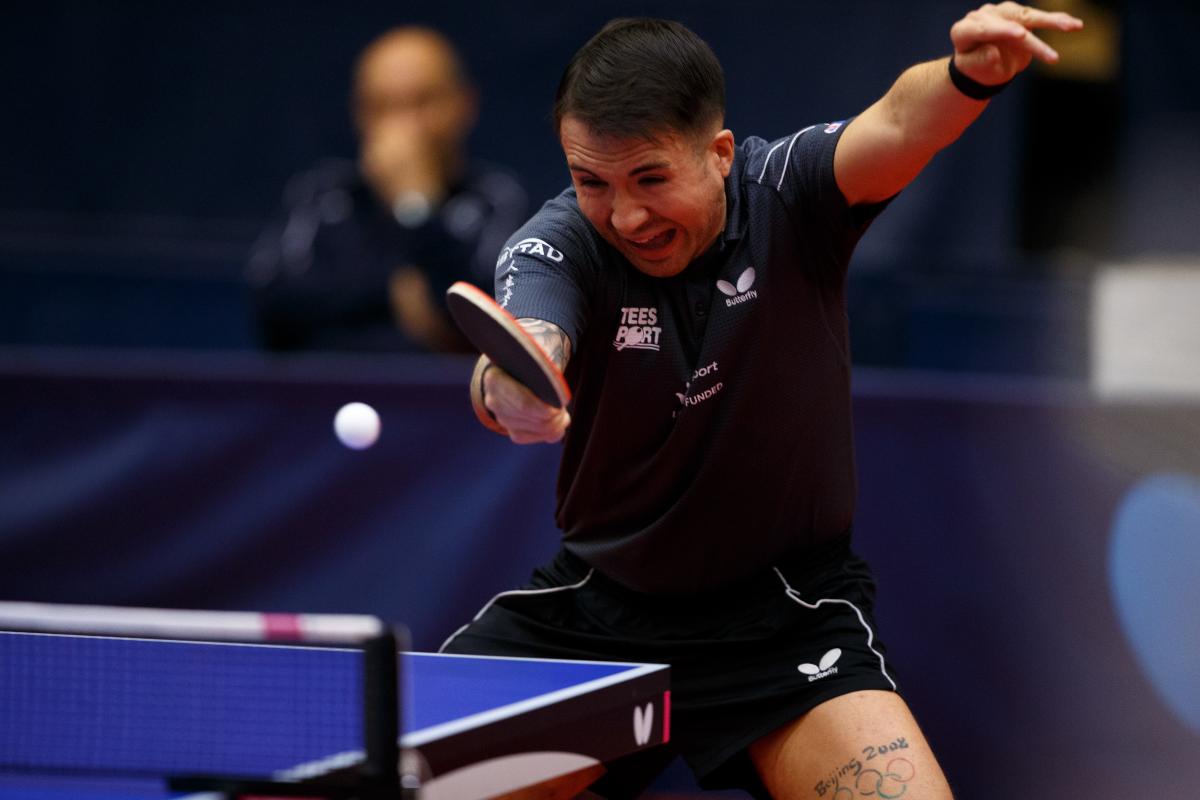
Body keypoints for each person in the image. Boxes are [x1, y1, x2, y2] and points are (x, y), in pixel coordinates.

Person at [443, 5, 1082, 798]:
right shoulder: (563, 239)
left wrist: (965, 77)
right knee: (398, 780)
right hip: (596, 619)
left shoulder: (790, 192)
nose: (627, 215)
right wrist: (509, 383)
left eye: (650, 178)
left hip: (784, 619)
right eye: (591, 182)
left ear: (715, 154)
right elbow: (529, 329)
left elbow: (897, 122)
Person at [247, 27, 528, 352]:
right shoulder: (322, 195)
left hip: (445, 396)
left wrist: (415, 205)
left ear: (463, 104)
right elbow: (272, 306)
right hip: (326, 394)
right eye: (383, 106)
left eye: (422, 102)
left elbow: (498, 314)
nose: (404, 126)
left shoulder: (497, 200)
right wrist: (393, 293)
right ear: (359, 114)